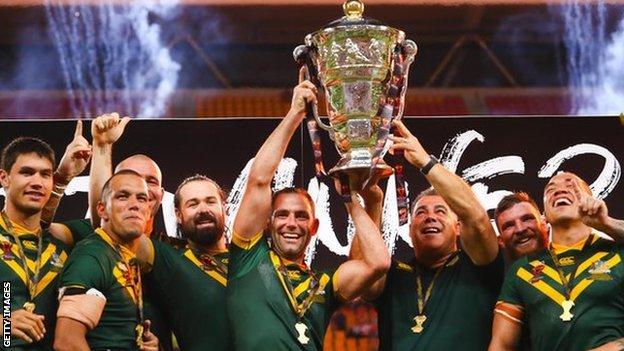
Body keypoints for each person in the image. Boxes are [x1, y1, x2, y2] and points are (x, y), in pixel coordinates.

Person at [227, 74, 391, 350]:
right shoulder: (248, 258)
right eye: (282, 215)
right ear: (267, 224)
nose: (291, 223)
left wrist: (351, 198)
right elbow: (259, 180)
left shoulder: (325, 283)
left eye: (301, 216)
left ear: (314, 227)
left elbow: (378, 263)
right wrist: (295, 113)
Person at [359, 119, 503, 350]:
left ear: (458, 226)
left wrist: (425, 162)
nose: (430, 217)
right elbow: (364, 275)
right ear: (409, 230)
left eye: (440, 211)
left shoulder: (478, 266)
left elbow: (475, 216)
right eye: (421, 213)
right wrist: (372, 202)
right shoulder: (393, 274)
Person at [489, 171, 624, 351]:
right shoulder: (522, 270)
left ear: (590, 199)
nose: (559, 191)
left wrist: (606, 223)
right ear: (545, 216)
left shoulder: (617, 253)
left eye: (571, 186)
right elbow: (501, 345)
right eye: (551, 189)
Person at [0, 125, 91, 351]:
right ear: (4, 178)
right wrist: (2, 324)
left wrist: (102, 147)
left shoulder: (61, 245)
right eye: (27, 172)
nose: (37, 182)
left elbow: (105, 221)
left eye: (45, 174)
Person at [87, 113, 172, 350]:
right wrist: (102, 148)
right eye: (130, 180)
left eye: (150, 181)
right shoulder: (86, 239)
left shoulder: (177, 251)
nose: (140, 187)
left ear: (162, 195)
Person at [54, 170, 158, 351]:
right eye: (123, 197)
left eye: (141, 199)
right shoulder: (92, 256)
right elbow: (67, 342)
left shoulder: (124, 255)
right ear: (102, 210)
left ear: (148, 212)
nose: (134, 205)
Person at [136, 174, 231, 351]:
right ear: (178, 215)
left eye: (210, 201)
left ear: (224, 208)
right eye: (193, 204)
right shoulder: (168, 258)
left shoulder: (250, 258)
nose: (203, 209)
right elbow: (114, 229)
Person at [495, 192, 549, 263]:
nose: (520, 229)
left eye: (527, 219)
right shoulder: (496, 273)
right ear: (500, 240)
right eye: (509, 226)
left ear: (544, 225)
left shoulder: (567, 256)